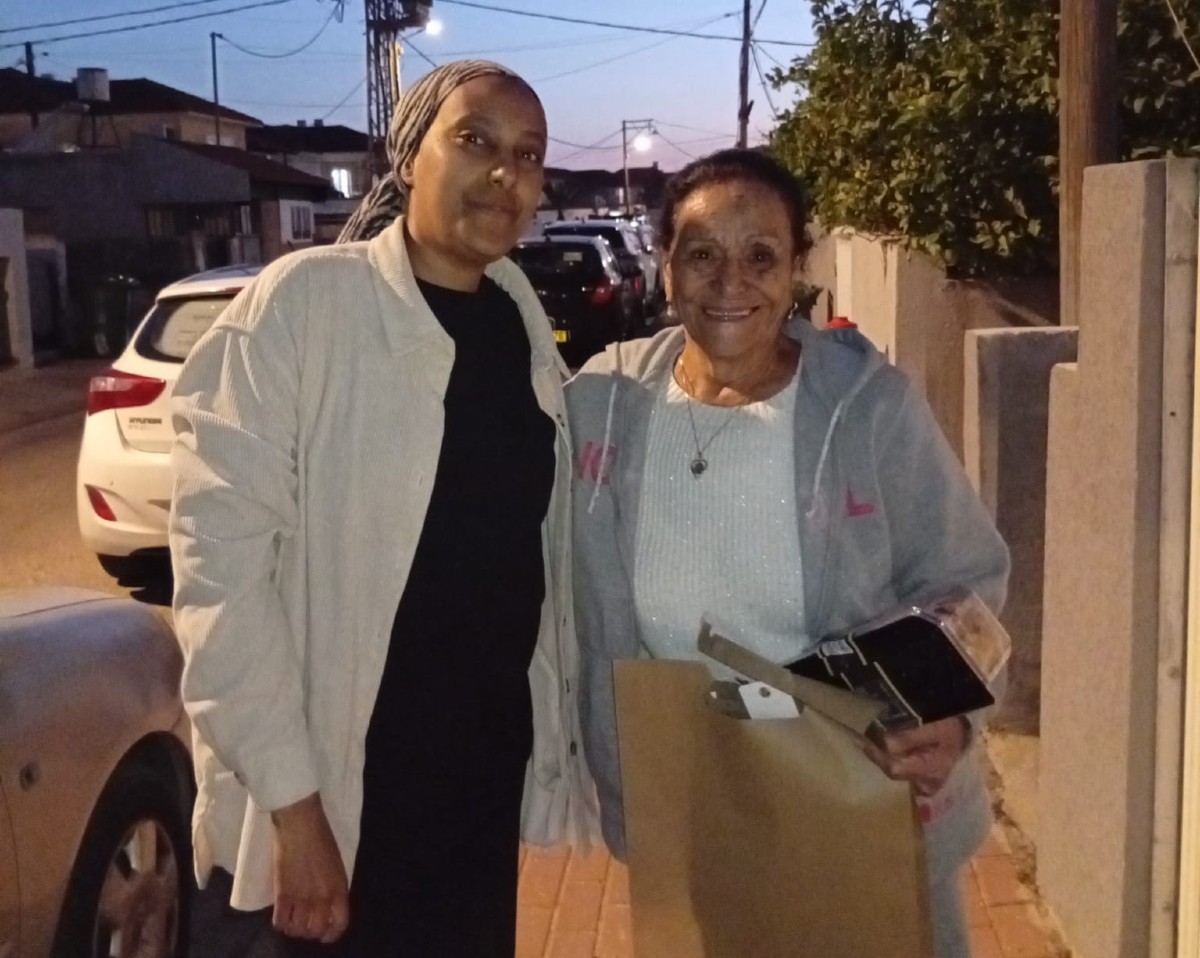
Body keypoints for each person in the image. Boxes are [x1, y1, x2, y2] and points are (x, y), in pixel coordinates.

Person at [170, 60, 595, 958]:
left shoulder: (522, 337)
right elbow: (220, 578)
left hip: (475, 792)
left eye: (528, 155)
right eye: (474, 139)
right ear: (407, 159)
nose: (506, 174)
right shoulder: (306, 306)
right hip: (336, 799)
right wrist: (295, 812)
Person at [566, 148, 1009, 958]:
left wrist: (948, 712)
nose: (729, 281)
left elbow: (967, 579)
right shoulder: (602, 406)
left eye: (761, 255)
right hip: (692, 810)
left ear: (798, 267)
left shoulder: (869, 410)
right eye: (702, 254)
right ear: (666, 268)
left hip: (860, 798)